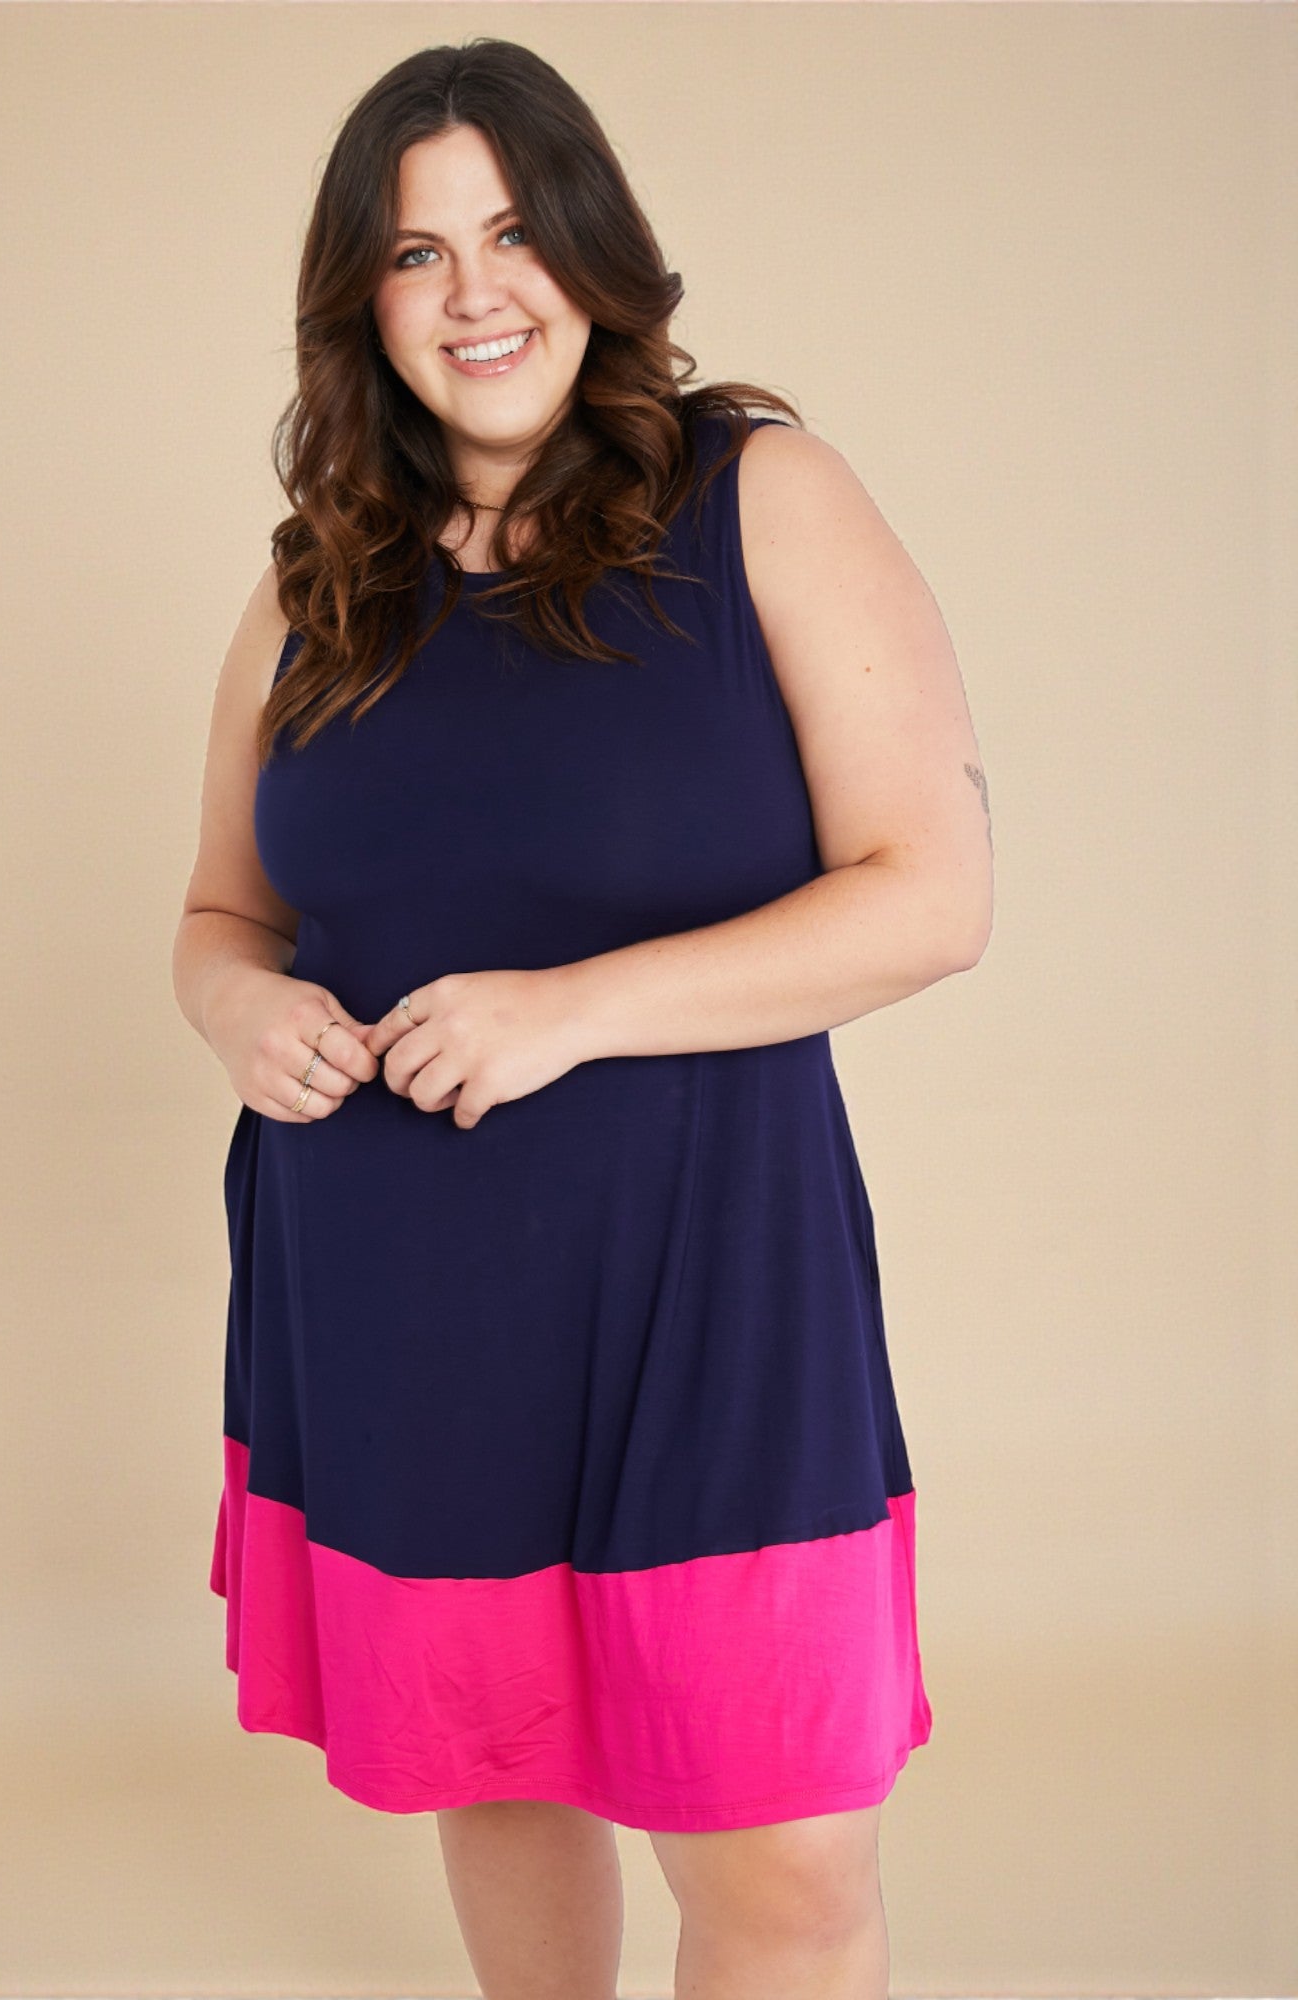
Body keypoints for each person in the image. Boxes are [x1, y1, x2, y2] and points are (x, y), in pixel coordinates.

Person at [173, 37, 992, 2000]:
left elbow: (932, 895)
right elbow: (223, 915)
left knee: (787, 1872)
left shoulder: (758, 494)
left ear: (595, 252)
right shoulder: (317, 587)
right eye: (413, 253)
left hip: (708, 1276)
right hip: (394, 1285)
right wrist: (231, 1015)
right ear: (358, 306)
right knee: (500, 1781)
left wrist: (575, 1011)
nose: (473, 292)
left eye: (515, 233)